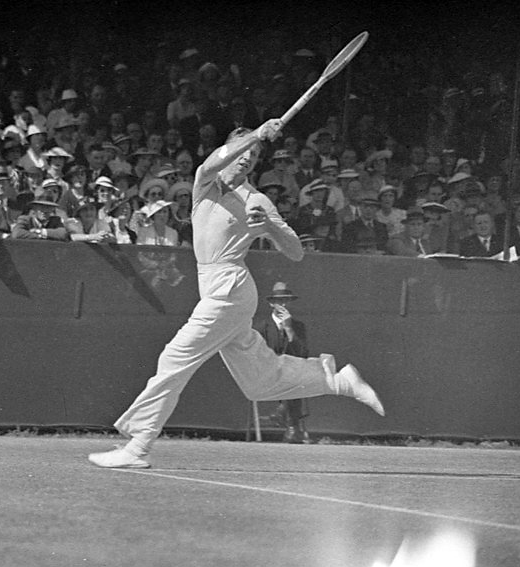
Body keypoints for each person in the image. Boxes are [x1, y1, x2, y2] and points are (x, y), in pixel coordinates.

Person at [89, 119, 385, 469]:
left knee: (174, 359)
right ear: (229, 151)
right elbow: (210, 163)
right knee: (258, 383)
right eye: (244, 150)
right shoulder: (205, 183)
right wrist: (255, 135)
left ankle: (138, 447)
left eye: (255, 154)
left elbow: (295, 252)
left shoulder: (257, 199)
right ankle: (335, 379)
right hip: (214, 288)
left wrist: (271, 226)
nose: (248, 158)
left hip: (231, 287)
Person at [254, 282, 311, 443]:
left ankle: (284, 415)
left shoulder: (298, 326)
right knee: (292, 378)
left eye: (286, 301)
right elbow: (258, 354)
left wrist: (289, 329)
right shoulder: (261, 327)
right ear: (272, 303)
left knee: (296, 377)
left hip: (291, 374)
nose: (283, 305)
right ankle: (292, 424)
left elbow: (302, 353)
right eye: (279, 301)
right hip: (267, 373)